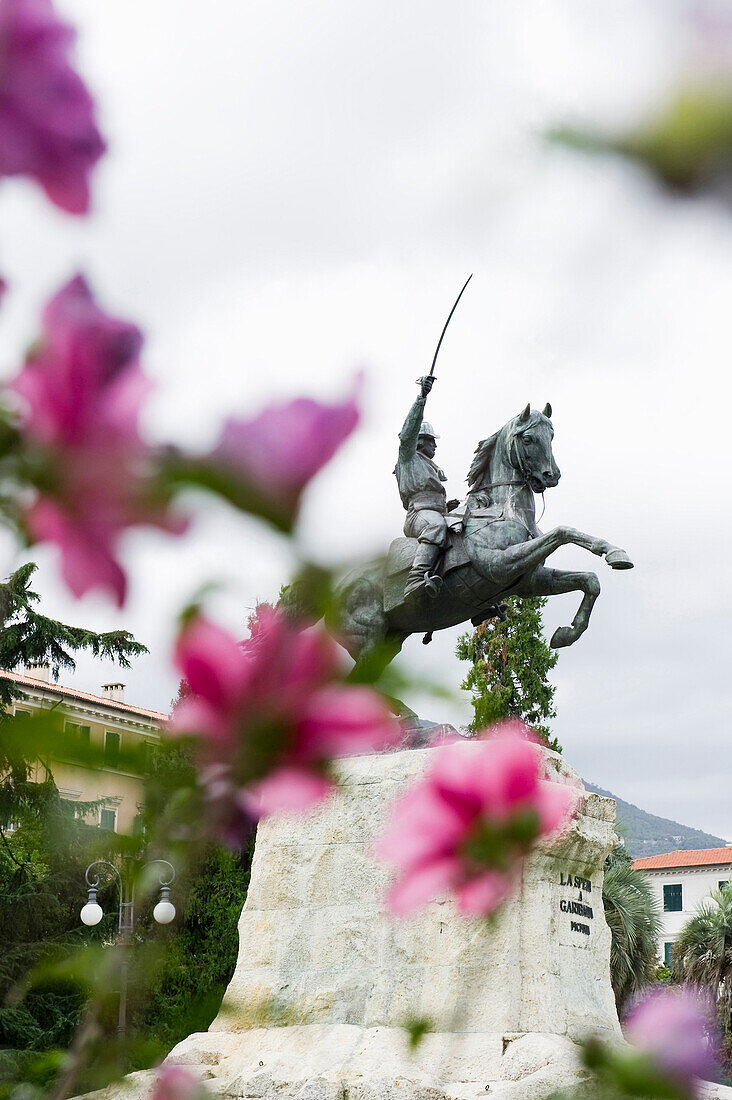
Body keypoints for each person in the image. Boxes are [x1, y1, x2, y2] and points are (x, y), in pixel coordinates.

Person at [394, 375, 459, 597]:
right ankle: (414, 580)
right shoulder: (408, 457)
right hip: (417, 515)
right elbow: (406, 434)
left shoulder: (432, 466)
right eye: (432, 440)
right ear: (421, 440)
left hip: (435, 511)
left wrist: (446, 507)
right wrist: (422, 397)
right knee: (436, 527)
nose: (435, 445)